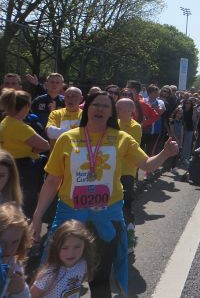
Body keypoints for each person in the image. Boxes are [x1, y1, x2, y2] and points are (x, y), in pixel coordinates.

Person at [29, 91, 179, 297]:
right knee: (57, 275)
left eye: (105, 106)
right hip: (71, 216)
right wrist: (37, 216)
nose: (100, 109)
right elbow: (53, 180)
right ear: (87, 108)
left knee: (99, 279)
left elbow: (146, 164)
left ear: (111, 113)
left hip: (106, 217)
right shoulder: (67, 138)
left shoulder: (121, 138)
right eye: (95, 105)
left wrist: (165, 154)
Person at [0, 89, 50, 218]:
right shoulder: (20, 127)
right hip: (25, 168)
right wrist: (34, 149)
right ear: (26, 107)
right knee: (26, 202)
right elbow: (45, 145)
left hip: (11, 164)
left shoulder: (5, 121)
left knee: (12, 199)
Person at [30, 220, 95, 298]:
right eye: (64, 248)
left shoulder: (82, 264)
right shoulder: (50, 274)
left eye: (77, 247)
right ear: (56, 247)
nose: (70, 253)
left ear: (85, 245)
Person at [115, 98, 142, 254]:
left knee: (126, 205)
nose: (117, 110)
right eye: (117, 108)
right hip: (110, 171)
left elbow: (127, 149)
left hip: (126, 172)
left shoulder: (135, 127)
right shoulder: (113, 123)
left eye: (121, 108)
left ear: (131, 111)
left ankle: (130, 235)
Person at [0, 202, 31, 298]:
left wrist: (20, 290)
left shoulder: (16, 264)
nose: (9, 249)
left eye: (15, 242)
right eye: (2, 242)